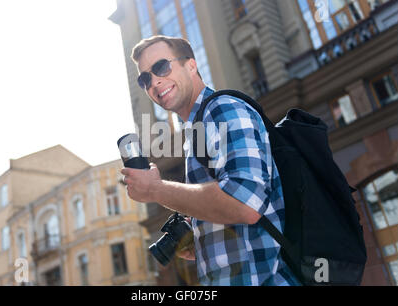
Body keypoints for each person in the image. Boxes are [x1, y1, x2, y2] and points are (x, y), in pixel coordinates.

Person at [121, 35, 299, 286]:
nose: (154, 81)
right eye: (145, 78)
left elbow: (244, 203)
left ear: (191, 65)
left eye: (161, 67)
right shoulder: (195, 130)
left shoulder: (222, 108)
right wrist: (203, 238)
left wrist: (155, 189)